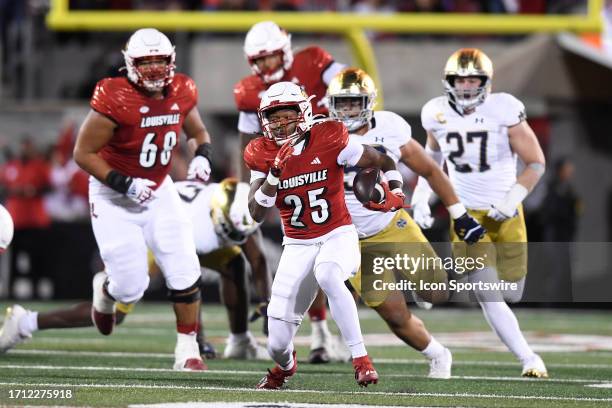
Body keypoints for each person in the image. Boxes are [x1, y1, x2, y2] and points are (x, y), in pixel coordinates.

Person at [245, 81, 410, 389]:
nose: (280, 124)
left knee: (330, 275)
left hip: (338, 232)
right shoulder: (261, 152)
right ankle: (285, 368)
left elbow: (381, 160)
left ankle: (361, 360)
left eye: (287, 116)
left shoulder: (329, 136)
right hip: (296, 244)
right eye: (274, 117)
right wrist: (274, 176)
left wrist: (396, 192)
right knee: (276, 344)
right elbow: (255, 212)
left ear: (303, 114)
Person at [326, 67, 486, 379]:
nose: (347, 110)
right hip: (350, 240)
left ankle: (418, 285)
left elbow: (431, 170)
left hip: (392, 224)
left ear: (369, 102)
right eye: (341, 103)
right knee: (396, 317)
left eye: (353, 102)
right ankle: (438, 353)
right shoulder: (322, 134)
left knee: (436, 292)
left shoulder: (390, 128)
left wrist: (459, 214)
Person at [0, 178, 271, 361]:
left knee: (235, 262)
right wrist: (196, 337)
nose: (237, 236)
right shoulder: (196, 227)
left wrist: (268, 304)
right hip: (151, 231)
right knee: (115, 315)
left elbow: (257, 259)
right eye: (230, 230)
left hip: (174, 219)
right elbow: (184, 282)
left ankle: (239, 341)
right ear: (216, 215)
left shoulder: (240, 204)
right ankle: (25, 321)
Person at [72, 28, 214, 371]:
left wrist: (202, 156)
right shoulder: (114, 96)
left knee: (183, 266)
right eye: (145, 62)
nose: (153, 69)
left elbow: (196, 132)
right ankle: (106, 290)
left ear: (172, 61)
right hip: (112, 195)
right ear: (129, 64)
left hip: (159, 188)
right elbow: (83, 153)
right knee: (131, 287)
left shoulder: (181, 88)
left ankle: (187, 348)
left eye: (159, 61)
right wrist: (123, 183)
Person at [411, 48, 548, 378]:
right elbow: (431, 163)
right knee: (488, 295)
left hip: (506, 214)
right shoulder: (436, 112)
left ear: (486, 82)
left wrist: (512, 197)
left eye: (474, 79)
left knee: (511, 293)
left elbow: (536, 162)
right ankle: (529, 358)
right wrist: (421, 198)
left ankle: (435, 281)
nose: (468, 86)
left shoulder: (504, 108)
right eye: (461, 79)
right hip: (465, 215)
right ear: (449, 82)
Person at [234, 20, 348, 364]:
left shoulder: (313, 60)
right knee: (307, 250)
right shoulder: (248, 91)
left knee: (339, 252)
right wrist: (247, 188)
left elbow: (350, 83)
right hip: (292, 169)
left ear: (285, 49)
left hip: (330, 157)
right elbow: (247, 142)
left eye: (271, 57)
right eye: (260, 59)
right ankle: (320, 333)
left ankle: (339, 333)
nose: (267, 66)